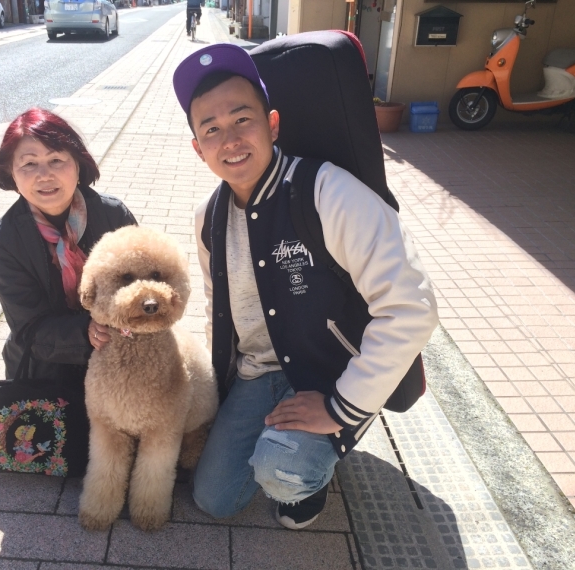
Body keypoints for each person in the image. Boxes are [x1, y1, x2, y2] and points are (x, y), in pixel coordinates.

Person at [171, 44, 438, 529]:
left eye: (242, 119)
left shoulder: (326, 191)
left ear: (272, 124)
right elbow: (218, 308)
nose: (230, 140)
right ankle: (293, 443)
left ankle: (309, 475)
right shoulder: (208, 216)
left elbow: (411, 304)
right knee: (214, 498)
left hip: (331, 371)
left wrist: (339, 408)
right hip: (258, 375)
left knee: (283, 470)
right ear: (197, 148)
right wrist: (218, 388)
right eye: (211, 129)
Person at [0, 108, 137, 467]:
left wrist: (127, 326)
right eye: (29, 164)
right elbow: (29, 327)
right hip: (47, 366)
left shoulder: (113, 215)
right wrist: (86, 331)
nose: (45, 175)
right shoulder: (5, 238)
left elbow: (141, 289)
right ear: (11, 173)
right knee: (67, 456)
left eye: (56, 160)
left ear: (78, 164)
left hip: (115, 351)